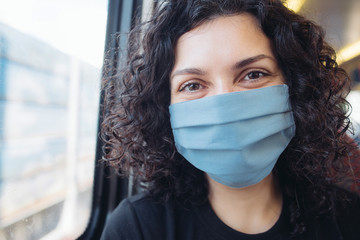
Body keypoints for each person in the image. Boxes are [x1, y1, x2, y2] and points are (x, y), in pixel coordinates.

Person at [100, 0, 360, 239]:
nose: (224, 104)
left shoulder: (348, 218)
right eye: (192, 85)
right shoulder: (135, 227)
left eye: (254, 74)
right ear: (163, 108)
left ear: (295, 88)